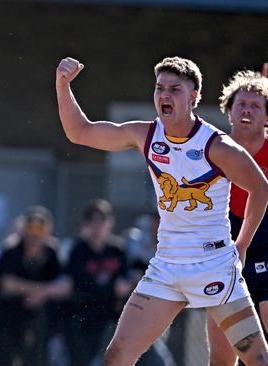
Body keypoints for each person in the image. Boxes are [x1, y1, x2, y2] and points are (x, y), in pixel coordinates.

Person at [55, 56, 268, 365]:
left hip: (215, 266)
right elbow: (80, 132)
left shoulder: (217, 145)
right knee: (117, 356)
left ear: (194, 97)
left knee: (256, 360)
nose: (165, 95)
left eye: (175, 89)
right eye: (159, 88)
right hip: (167, 267)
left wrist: (243, 244)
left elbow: (260, 188)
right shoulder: (146, 134)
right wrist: (63, 85)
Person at [207, 67, 268, 366]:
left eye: (256, 106)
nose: (247, 110)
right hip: (224, 250)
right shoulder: (213, 148)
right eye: (240, 104)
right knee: (222, 355)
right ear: (228, 112)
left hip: (265, 245)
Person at [0, 205, 71, 366]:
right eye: (31, 227)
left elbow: (65, 285)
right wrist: (40, 290)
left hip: (38, 323)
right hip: (5, 321)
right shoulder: (11, 250)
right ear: (23, 229)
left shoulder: (52, 252)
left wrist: (41, 293)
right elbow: (7, 284)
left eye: (40, 228)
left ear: (48, 230)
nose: (35, 234)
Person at [65, 199, 132, 366]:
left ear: (110, 223)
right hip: (84, 317)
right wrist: (108, 287)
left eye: (101, 220)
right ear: (85, 224)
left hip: (112, 316)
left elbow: (124, 285)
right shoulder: (78, 249)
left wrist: (106, 287)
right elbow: (77, 283)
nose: (97, 225)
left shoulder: (117, 249)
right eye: (92, 220)